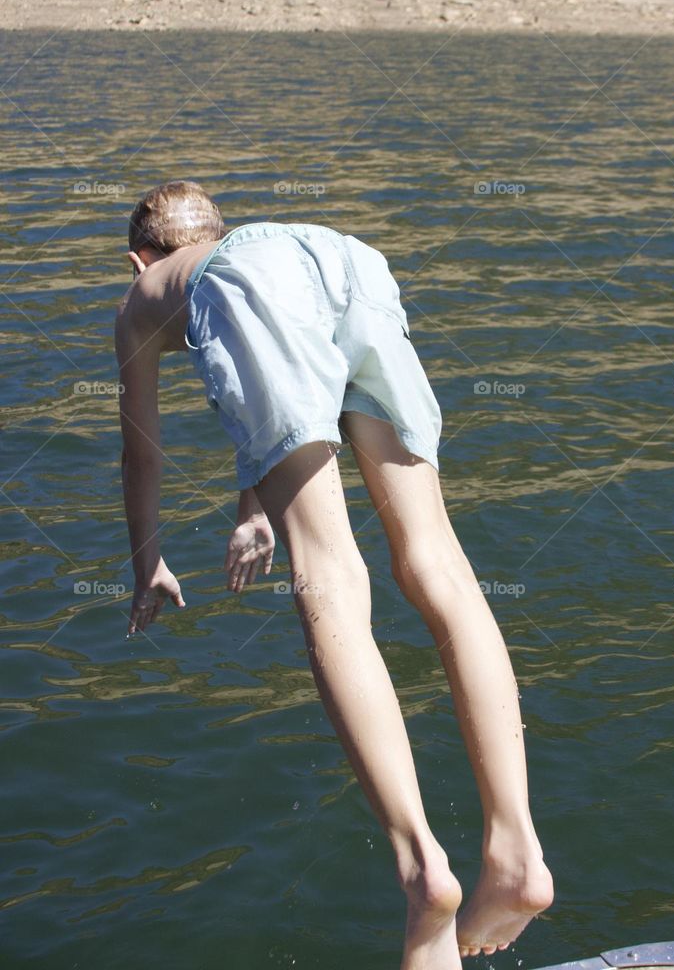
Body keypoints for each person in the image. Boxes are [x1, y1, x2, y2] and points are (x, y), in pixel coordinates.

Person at [116, 179, 553, 968]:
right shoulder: (265, 243)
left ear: (139, 257)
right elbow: (279, 381)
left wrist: (147, 560)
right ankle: (515, 851)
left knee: (330, 578)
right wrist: (254, 505)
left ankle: (423, 869)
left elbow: (141, 448)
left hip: (263, 293)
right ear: (214, 228)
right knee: (437, 564)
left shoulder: (147, 292)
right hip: (352, 265)